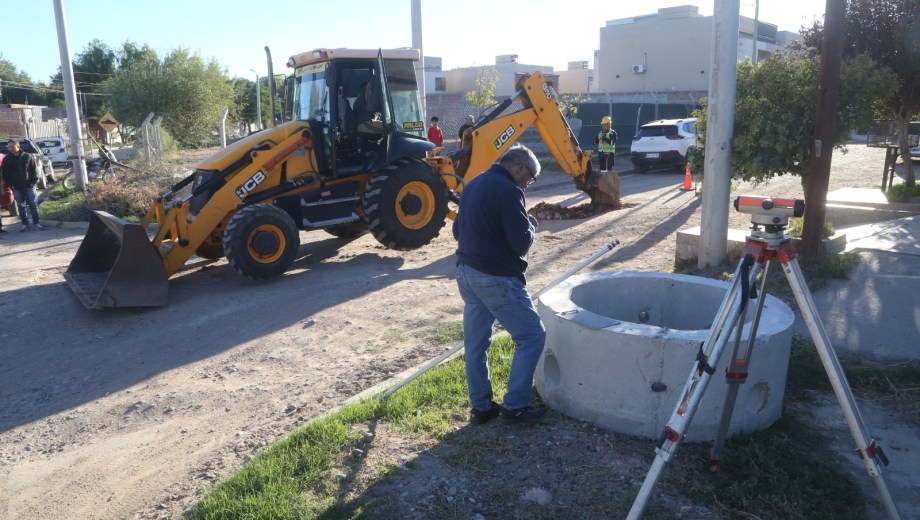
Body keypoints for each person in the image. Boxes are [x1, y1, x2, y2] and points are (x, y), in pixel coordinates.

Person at [452, 145, 547, 425]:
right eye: (529, 178)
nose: (527, 184)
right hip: (496, 278)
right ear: (518, 167)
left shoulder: (474, 184)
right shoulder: (509, 191)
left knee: (476, 345)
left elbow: (457, 231)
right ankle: (515, 407)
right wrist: (530, 225)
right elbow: (520, 242)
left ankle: (481, 408)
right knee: (532, 336)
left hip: (466, 273)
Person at [1, 139, 44, 231]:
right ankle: (25, 225)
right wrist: (11, 185)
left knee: (33, 204)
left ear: (18, 146)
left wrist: (33, 182)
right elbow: (5, 174)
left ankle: (36, 223)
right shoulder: (6, 159)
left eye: (12, 146)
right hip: (16, 187)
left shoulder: (28, 156)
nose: (10, 148)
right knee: (21, 206)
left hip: (29, 185)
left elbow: (34, 171)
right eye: (9, 147)